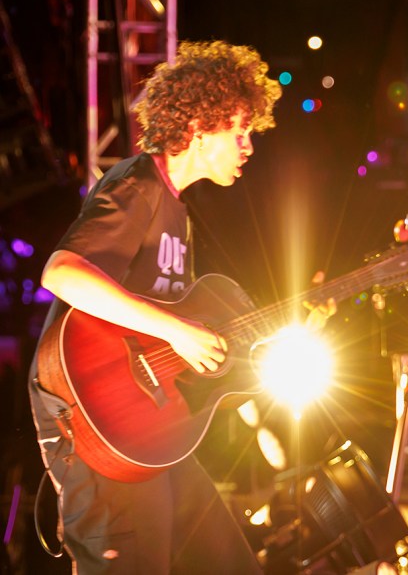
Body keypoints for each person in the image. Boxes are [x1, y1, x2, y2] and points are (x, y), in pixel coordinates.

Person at [28, 40, 282, 573]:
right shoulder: (138, 183)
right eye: (238, 131)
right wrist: (180, 331)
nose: (248, 147)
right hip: (94, 424)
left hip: (146, 431)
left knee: (225, 562)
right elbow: (62, 272)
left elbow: (165, 342)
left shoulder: (178, 212)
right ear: (196, 128)